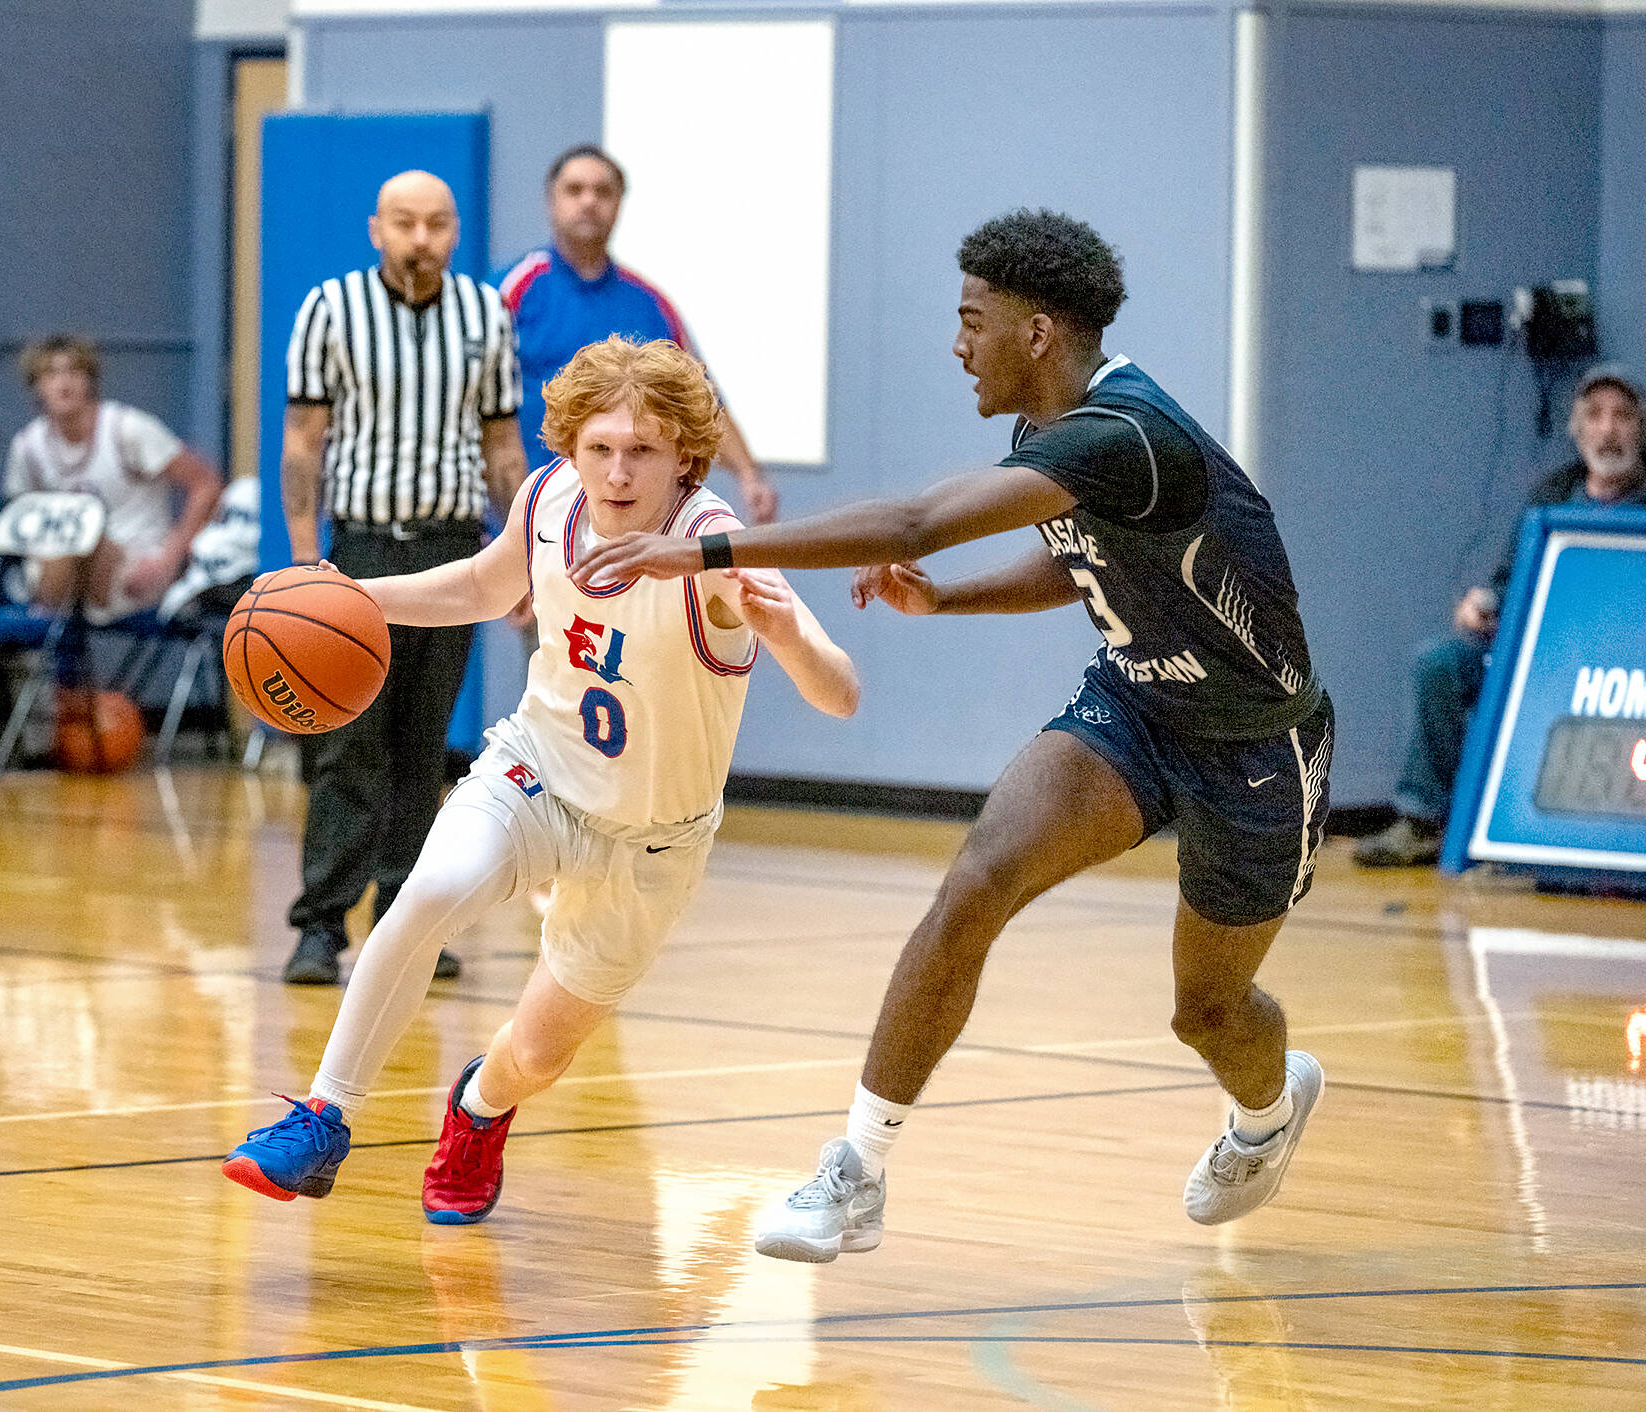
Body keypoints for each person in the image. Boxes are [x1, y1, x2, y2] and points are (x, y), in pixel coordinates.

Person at [575, 209, 1334, 1260]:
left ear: (1037, 331)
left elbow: (914, 520)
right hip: (1136, 706)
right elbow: (1082, 564)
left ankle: (1268, 1107)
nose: (956, 343)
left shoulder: (1128, 437)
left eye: (972, 320)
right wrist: (950, 602)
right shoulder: (1052, 437)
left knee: (1208, 1012)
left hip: (1256, 747)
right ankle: (855, 1170)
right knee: (976, 880)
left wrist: (696, 553)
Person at [220, 336, 858, 1220]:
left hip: (650, 839)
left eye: (643, 451)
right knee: (427, 892)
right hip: (538, 771)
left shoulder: (719, 549)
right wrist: (359, 596)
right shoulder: (551, 497)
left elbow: (841, 694)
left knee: (539, 1055)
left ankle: (479, 1106)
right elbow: (485, 586)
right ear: (570, 448)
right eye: (599, 448)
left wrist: (787, 636)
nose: (618, 472)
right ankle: (324, 1117)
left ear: (686, 457)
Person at [279, 169, 530, 987]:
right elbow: (303, 440)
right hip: (359, 549)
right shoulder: (330, 308)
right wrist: (303, 560)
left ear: (455, 232)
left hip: (453, 548)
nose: (422, 238)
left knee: (426, 746)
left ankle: (404, 920)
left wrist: (524, 554)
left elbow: (501, 447)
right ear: (376, 229)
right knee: (348, 742)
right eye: (405, 223)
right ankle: (319, 927)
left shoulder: (484, 313)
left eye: (437, 224)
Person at [1355, 364, 1646, 867]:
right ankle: (1424, 819)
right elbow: (1510, 579)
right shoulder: (1551, 494)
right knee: (1440, 664)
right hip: (1540, 651)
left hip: (1623, 662)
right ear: (1577, 428)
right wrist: (1483, 603)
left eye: (1621, 416)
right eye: (1595, 416)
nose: (1608, 429)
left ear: (1640, 428)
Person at [499, 144, 778, 523]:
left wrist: (748, 474)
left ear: (619, 203)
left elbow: (700, 398)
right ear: (551, 200)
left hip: (632, 516)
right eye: (575, 190)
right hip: (533, 512)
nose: (588, 201)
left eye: (602, 191)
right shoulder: (510, 292)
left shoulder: (649, 303)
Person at [4, 335, 223, 625]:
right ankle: (41, 655)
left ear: (90, 380)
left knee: (80, 543)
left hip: (136, 565)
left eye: (74, 371)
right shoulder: (28, 446)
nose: (63, 383)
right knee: (51, 551)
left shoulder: (126, 429)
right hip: (63, 573)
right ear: (36, 386)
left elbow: (205, 483)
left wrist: (170, 559)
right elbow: (21, 517)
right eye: (51, 373)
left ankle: (45, 639)